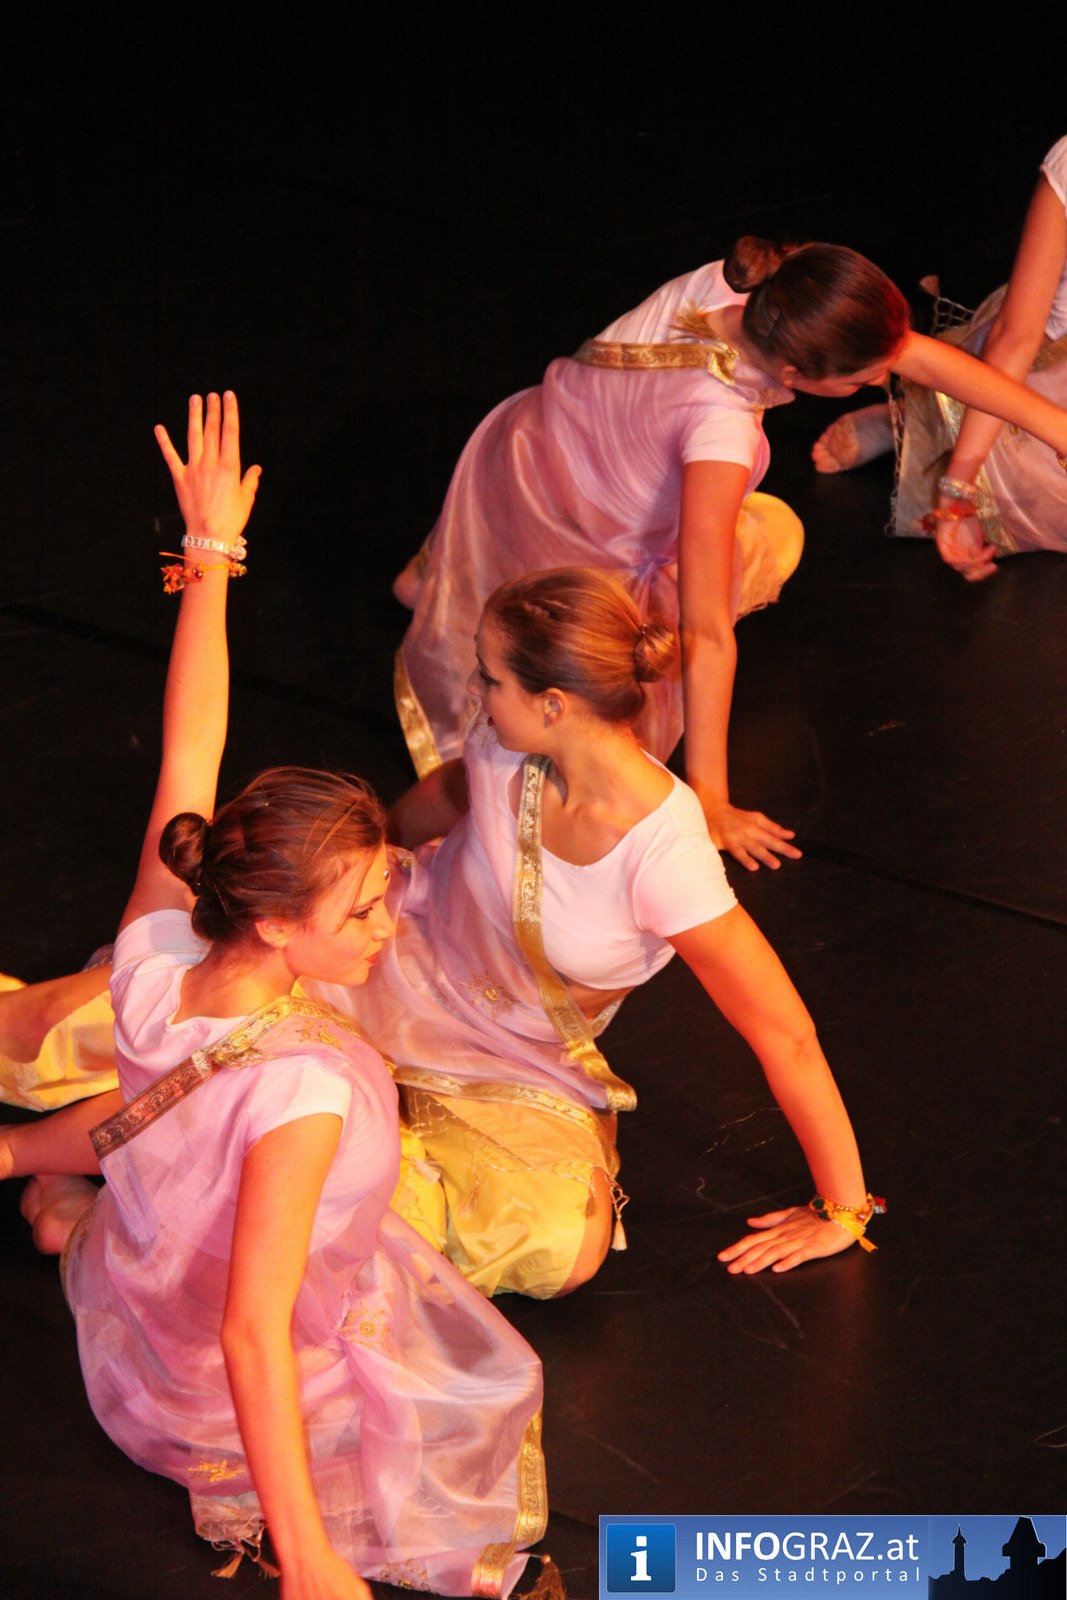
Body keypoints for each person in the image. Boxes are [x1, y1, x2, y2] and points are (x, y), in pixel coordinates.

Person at [4, 567, 883, 1303]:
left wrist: (841, 1209)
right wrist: (342, 882)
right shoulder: (509, 746)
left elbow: (784, 1034)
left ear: (552, 703)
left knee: (554, 1241)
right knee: (86, 1029)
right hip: (379, 958)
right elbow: (447, 796)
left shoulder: (666, 856)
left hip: (507, 1063)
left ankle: (137, 1206)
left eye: (491, 679)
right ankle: (148, 1174)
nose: (477, 692)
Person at [10, 393, 546, 1600]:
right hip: (208, 1388)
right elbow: (254, 1328)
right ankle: (63, 1210)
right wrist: (307, 1561)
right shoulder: (299, 1091)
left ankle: (62, 1211)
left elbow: (187, 748)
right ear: (271, 921)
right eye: (359, 912)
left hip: (150, 1294)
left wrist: (211, 555)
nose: (388, 924)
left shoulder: (153, 947)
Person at [393, 236, 1067, 869]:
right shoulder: (720, 428)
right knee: (775, 534)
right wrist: (709, 800)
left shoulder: (752, 287)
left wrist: (1057, 430)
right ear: (794, 372)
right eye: (864, 378)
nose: (878, 383)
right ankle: (474, 590)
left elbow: (915, 355)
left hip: (514, 467)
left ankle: (443, 569)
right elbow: (706, 629)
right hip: (578, 555)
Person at [813, 137, 1067, 581]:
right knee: (1002, 422)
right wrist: (960, 486)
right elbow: (1016, 338)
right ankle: (916, 420)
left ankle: (920, 421)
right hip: (1049, 362)